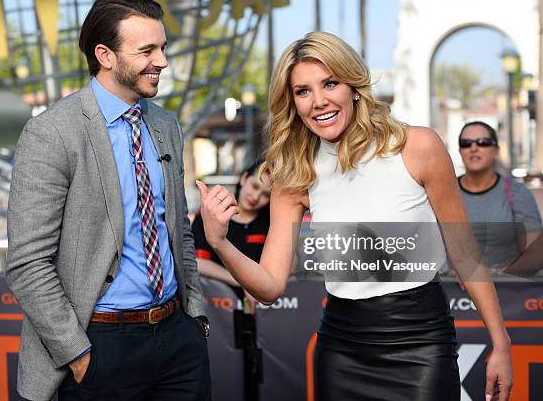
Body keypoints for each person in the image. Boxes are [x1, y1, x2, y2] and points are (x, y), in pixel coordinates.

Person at [196, 32, 513, 400]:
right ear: (292, 102)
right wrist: (218, 240)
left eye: (330, 83)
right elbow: (268, 288)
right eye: (303, 91)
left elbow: (465, 254)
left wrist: (501, 343)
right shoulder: (294, 172)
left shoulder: (417, 146)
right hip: (341, 348)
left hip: (420, 343)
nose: (318, 101)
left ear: (354, 86)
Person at [5, 0, 210, 401]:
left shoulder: (166, 125)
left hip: (178, 343)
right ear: (105, 55)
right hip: (99, 346)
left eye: (163, 48)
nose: (162, 61)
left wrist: (196, 317)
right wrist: (78, 354)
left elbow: (178, 232)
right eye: (147, 50)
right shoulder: (52, 133)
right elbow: (28, 263)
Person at [458, 121, 542, 270]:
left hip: (505, 288)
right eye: (466, 143)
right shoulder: (444, 191)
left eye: (483, 142)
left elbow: (535, 254)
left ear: (496, 150)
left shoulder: (517, 193)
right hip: (451, 289)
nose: (473, 148)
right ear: (460, 150)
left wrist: (494, 273)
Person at [192, 161, 271, 310]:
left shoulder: (271, 224)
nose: (255, 196)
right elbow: (198, 262)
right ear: (244, 178)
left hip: (261, 310)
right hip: (215, 307)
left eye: (265, 195)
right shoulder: (211, 214)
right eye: (254, 186)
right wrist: (244, 282)